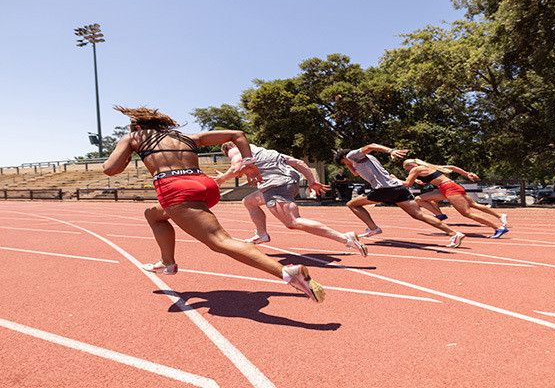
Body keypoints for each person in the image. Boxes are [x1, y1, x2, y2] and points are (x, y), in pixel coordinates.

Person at [103, 106, 325, 303]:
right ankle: (167, 262)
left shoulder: (135, 136)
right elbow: (237, 134)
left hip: (176, 189)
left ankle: (288, 273)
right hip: (205, 186)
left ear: (139, 126)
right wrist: (248, 162)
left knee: (220, 242)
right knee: (153, 215)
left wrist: (128, 150)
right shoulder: (188, 137)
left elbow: (110, 169)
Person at [214, 142, 368, 257]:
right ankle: (261, 234)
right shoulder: (267, 152)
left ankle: (345, 238)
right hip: (291, 183)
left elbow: (235, 169)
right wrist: (312, 181)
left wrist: (221, 179)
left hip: (276, 186)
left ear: (228, 149)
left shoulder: (236, 150)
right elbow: (299, 162)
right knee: (249, 201)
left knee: (293, 222)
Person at [333, 144, 466, 248]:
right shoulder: (360, 160)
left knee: (352, 204)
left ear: (345, 157)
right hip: (398, 188)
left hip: (384, 189)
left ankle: (373, 228)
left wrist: (390, 151)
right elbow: (356, 174)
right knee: (418, 215)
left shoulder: (352, 155)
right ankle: (454, 234)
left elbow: (371, 146)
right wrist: (347, 163)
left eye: (344, 162)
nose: (346, 164)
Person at [400, 159, 509, 239]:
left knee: (467, 213)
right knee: (419, 199)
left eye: (407, 169)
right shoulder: (428, 167)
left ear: (410, 165)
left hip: (449, 188)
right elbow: (450, 168)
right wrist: (467, 174)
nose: (409, 171)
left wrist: (392, 178)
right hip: (446, 187)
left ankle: (498, 228)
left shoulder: (416, 169)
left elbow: (407, 184)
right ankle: (439, 215)